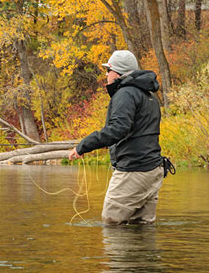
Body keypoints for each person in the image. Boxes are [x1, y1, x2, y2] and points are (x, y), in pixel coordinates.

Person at [68, 50, 164, 224]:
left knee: (111, 222)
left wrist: (83, 146)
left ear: (118, 73)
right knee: (141, 228)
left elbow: (118, 129)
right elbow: (136, 131)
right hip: (152, 170)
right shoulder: (148, 95)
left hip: (134, 170)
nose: (106, 75)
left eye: (108, 70)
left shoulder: (125, 93)